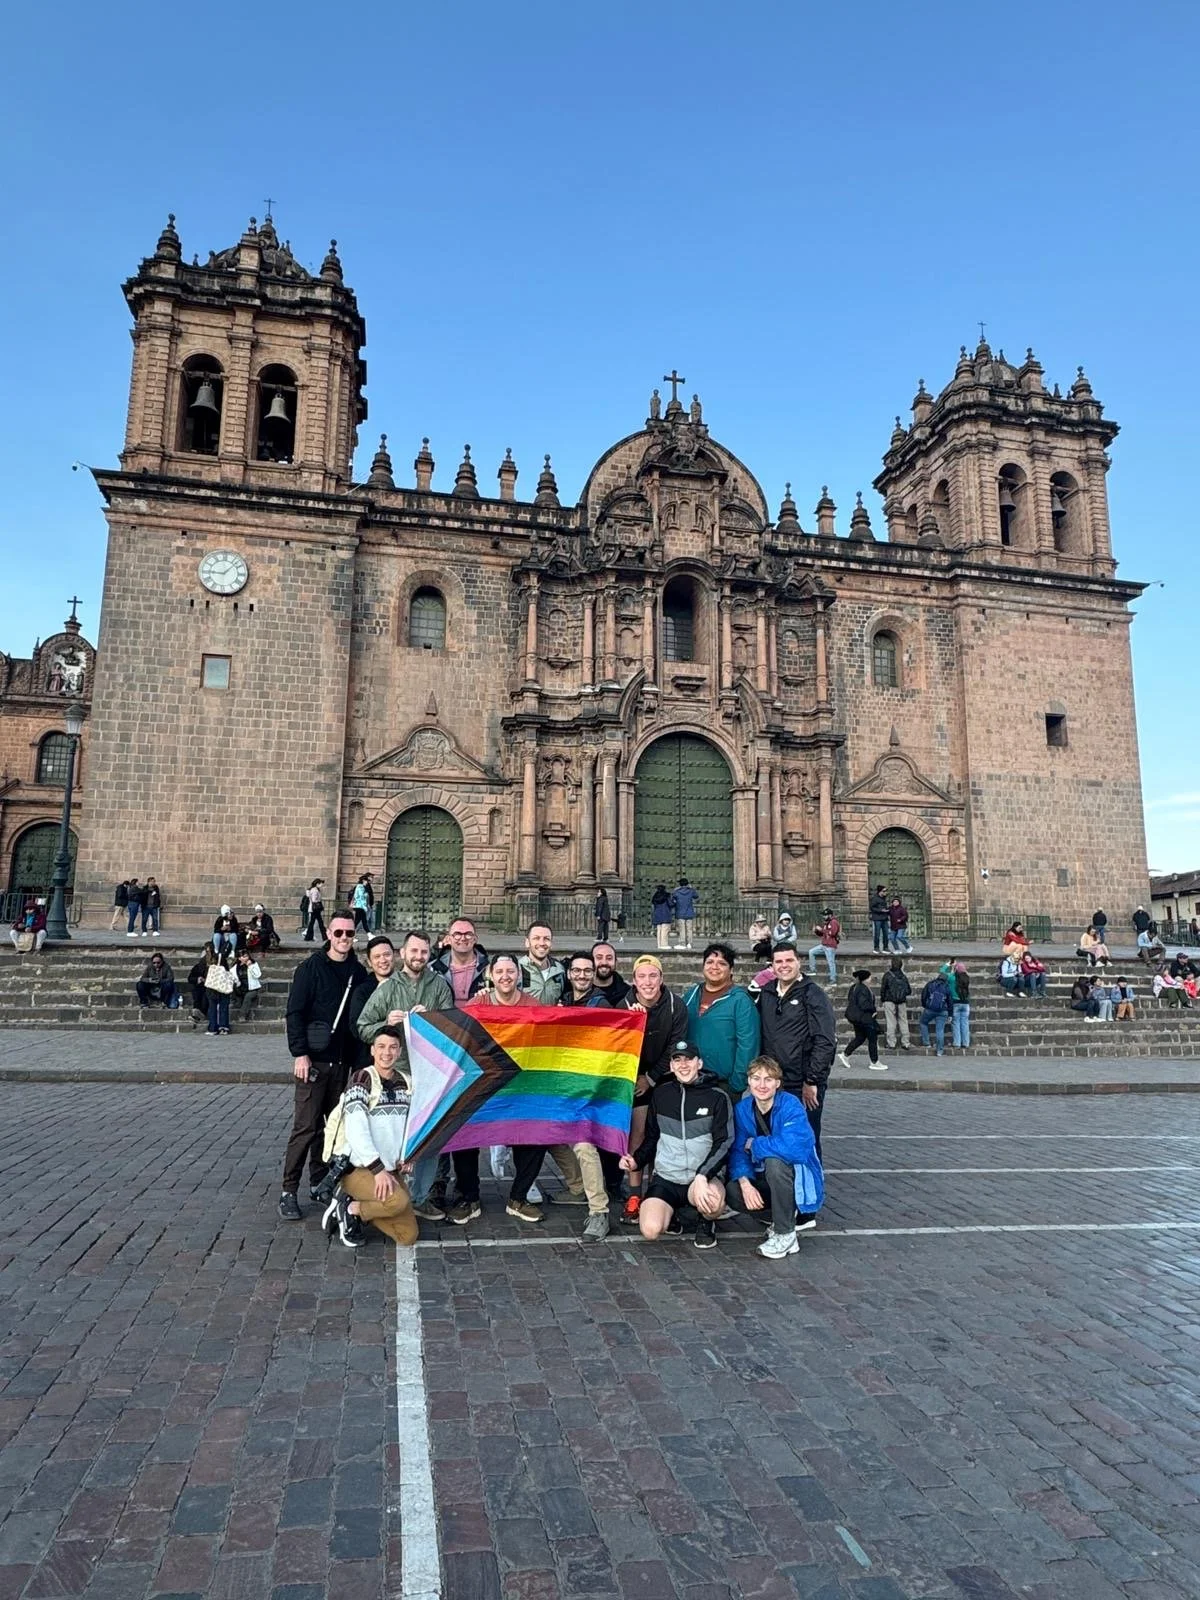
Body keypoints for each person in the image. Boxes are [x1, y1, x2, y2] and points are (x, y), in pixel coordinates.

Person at [356, 931, 474, 1220]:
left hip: (432, 1075)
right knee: (394, 1136)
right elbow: (363, 1026)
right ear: (402, 953)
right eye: (414, 951)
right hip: (398, 1075)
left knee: (429, 1139)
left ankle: (421, 1197)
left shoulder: (439, 987)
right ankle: (387, 1195)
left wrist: (433, 1020)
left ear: (429, 955)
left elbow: (453, 1032)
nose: (418, 957)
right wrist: (386, 1022)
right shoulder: (386, 989)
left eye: (424, 952)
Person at [470, 954, 584, 1224]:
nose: (505, 977)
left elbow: (545, 1040)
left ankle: (518, 1197)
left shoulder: (532, 1004)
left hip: (522, 1084)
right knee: (466, 1134)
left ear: (519, 975)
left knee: (534, 1134)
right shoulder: (480, 1002)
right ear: (491, 974)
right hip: (487, 1081)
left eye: (511, 971)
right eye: (500, 972)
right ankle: (468, 1197)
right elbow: (464, 1035)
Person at [279, 911, 373, 1220]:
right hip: (314, 1061)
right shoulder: (310, 969)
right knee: (305, 1127)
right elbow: (295, 1013)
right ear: (328, 935)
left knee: (331, 1130)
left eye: (349, 934)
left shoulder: (358, 974)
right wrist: (299, 1053)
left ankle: (318, 1182)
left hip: (343, 1065)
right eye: (339, 933)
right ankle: (288, 1191)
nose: (344, 938)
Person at [620, 1039, 732, 1250]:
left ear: (699, 1063)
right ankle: (673, 1215)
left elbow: (725, 1142)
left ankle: (706, 1222)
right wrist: (636, 1161)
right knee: (650, 1230)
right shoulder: (661, 1095)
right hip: (667, 1178)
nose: (683, 1065)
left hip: (701, 1178)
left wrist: (703, 1175)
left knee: (713, 1204)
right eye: (677, 1060)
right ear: (671, 1066)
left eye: (688, 1059)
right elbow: (652, 1137)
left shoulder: (717, 1097)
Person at [754, 943, 837, 1207]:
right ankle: (779, 1197)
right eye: (778, 962)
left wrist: (812, 1080)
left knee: (805, 1140)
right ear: (772, 965)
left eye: (788, 960)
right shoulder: (767, 993)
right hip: (772, 1083)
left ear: (798, 961)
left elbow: (825, 1040)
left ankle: (809, 1203)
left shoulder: (814, 995)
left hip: (802, 1084)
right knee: (774, 1139)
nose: (784, 966)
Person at [322, 1026, 419, 1249]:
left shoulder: (406, 1082)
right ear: (372, 1050)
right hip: (360, 1168)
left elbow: (411, 1125)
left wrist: (410, 1155)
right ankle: (349, 1208)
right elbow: (357, 1130)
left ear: (400, 1051)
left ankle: (359, 1207)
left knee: (408, 1236)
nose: (387, 1052)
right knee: (398, 1201)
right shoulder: (362, 1078)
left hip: (390, 1169)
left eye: (393, 1047)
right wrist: (378, 1170)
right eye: (382, 1047)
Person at [727, 1056, 825, 1262]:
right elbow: (737, 1150)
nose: (761, 1085)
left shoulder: (791, 1105)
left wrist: (755, 1145)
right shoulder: (743, 1109)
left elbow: (794, 1149)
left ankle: (785, 1233)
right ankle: (778, 1218)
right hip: (763, 1175)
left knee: (775, 1162)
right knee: (733, 1191)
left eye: (768, 1079)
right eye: (756, 1078)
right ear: (748, 1081)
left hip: (795, 1177)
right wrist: (745, 1182)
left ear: (777, 1083)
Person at [619, 953, 690, 1225]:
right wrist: (633, 1023)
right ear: (634, 981)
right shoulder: (624, 1004)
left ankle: (656, 1192)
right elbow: (618, 1048)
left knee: (662, 1136)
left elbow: (676, 1046)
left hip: (664, 1076)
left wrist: (651, 1077)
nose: (647, 982)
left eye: (653, 976)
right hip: (633, 1076)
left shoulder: (676, 1006)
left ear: (661, 978)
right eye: (642, 977)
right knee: (637, 1134)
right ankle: (634, 1194)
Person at [558, 952, 614, 1240]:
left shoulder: (601, 1004)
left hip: (591, 1089)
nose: (582, 975)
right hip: (566, 1086)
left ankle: (599, 1211)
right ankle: (578, 1186)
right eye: (577, 971)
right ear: (569, 973)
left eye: (587, 971)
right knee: (547, 1132)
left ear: (593, 975)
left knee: (583, 1145)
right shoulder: (563, 1000)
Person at [682, 943, 761, 1099]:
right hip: (690, 1078)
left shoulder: (740, 1001)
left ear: (731, 970)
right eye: (710, 962)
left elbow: (748, 1044)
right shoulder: (692, 994)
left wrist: (737, 1084)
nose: (715, 967)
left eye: (722, 963)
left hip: (723, 1084)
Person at [838, 968, 887, 1071]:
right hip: (865, 1018)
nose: (870, 979)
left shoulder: (854, 987)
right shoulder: (863, 989)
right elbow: (863, 1004)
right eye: (869, 977)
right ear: (865, 979)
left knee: (860, 1038)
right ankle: (874, 1062)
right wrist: (873, 1009)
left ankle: (846, 1054)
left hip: (857, 1018)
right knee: (872, 1038)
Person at [431, 916, 489, 1004]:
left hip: (478, 1017)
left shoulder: (490, 969)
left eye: (468, 934)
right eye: (457, 934)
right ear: (448, 939)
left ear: (475, 939)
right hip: (444, 1017)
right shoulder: (433, 969)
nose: (463, 938)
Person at [518, 922, 566, 1003]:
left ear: (551, 943)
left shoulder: (559, 970)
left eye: (546, 938)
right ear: (527, 942)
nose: (542, 943)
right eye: (536, 938)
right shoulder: (516, 969)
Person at [203, 940, 237, 1035]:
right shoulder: (229, 958)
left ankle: (213, 1028)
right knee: (224, 1006)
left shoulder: (212, 957)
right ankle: (224, 1026)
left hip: (212, 984)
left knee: (212, 1007)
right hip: (224, 984)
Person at [880, 956, 911, 1051]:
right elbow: (909, 991)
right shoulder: (903, 976)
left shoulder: (887, 975)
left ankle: (891, 1043)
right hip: (901, 1002)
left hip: (889, 1001)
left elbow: (883, 989)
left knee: (891, 1022)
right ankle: (905, 1042)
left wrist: (883, 999)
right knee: (903, 1021)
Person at [918, 969, 951, 1055]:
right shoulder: (947, 987)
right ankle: (939, 1051)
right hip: (943, 1011)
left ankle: (926, 1043)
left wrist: (925, 1005)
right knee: (940, 1030)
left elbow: (923, 995)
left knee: (923, 1022)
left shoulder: (930, 984)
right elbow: (950, 1002)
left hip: (930, 1009)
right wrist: (950, 1014)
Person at [807, 909, 841, 984]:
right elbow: (823, 934)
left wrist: (821, 929)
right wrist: (816, 931)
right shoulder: (827, 923)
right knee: (811, 952)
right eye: (823, 915)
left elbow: (832, 933)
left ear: (830, 915)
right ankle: (813, 970)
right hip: (824, 945)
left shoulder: (834, 922)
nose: (824, 917)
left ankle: (833, 980)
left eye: (825, 915)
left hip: (830, 946)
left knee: (831, 962)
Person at [232, 949, 263, 1021]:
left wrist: (250, 966)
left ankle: (242, 1015)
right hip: (240, 988)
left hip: (252, 988)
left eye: (246, 956)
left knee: (248, 997)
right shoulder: (235, 967)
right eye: (243, 957)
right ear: (239, 958)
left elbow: (258, 975)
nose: (245, 958)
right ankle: (236, 1001)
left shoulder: (254, 964)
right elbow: (232, 977)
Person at [671, 877, 699, 950]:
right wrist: (691, 888)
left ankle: (682, 943)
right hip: (689, 913)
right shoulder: (691, 891)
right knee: (689, 929)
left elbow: (672, 898)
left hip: (680, 913)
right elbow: (696, 896)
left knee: (682, 929)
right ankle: (689, 943)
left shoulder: (677, 892)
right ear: (687, 884)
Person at [186, 950, 210, 1023]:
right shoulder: (198, 967)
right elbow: (190, 978)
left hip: (209, 987)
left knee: (206, 995)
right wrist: (198, 979)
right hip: (200, 986)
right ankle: (196, 1012)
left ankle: (202, 1013)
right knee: (197, 992)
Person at [651, 884, 673, 950]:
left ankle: (659, 944)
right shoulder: (666, 896)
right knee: (665, 930)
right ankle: (664, 944)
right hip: (665, 914)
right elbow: (671, 904)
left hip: (657, 914)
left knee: (659, 930)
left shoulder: (655, 897)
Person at [869, 885, 889, 953]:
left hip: (885, 918)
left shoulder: (884, 898)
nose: (886, 892)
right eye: (884, 891)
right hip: (877, 919)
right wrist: (881, 910)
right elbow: (872, 908)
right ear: (880, 891)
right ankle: (876, 947)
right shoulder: (875, 898)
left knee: (886, 934)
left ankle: (885, 947)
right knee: (877, 934)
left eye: (886, 891)